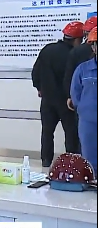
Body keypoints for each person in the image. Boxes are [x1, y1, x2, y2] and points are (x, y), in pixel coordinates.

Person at [32, 21, 83, 167]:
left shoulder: (47, 49)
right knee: (71, 134)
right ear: (77, 40)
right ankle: (72, 163)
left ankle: (46, 160)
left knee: (47, 132)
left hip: (47, 100)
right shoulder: (74, 55)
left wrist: (39, 87)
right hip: (67, 102)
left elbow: (36, 72)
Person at [70, 27, 98, 174]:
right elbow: (75, 93)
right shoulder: (83, 69)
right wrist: (83, 109)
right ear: (93, 47)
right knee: (90, 157)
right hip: (89, 121)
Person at [65, 16, 98, 111]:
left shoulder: (76, 51)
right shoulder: (82, 66)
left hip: (85, 107)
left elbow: (69, 77)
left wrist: (71, 98)